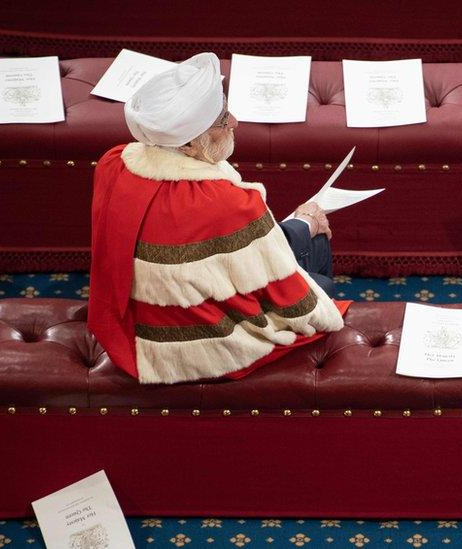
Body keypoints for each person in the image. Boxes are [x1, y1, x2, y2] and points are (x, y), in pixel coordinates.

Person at [88, 52, 347, 385]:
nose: (235, 122)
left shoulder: (116, 164)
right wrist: (324, 302)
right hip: (200, 346)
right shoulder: (224, 201)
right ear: (193, 144)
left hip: (132, 328)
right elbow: (293, 300)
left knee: (302, 235)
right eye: (223, 119)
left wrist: (298, 226)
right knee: (322, 283)